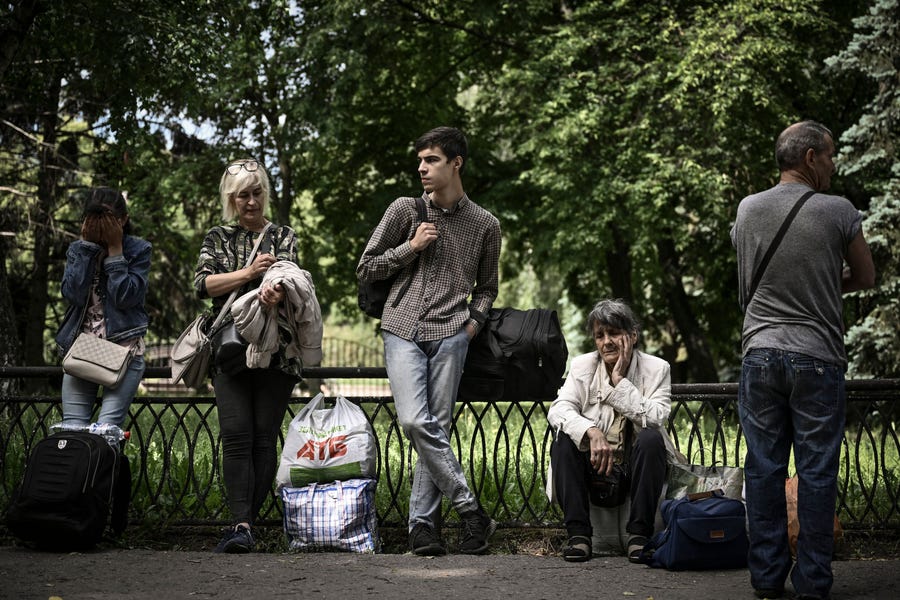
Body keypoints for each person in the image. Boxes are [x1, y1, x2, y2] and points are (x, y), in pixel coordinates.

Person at [731, 121, 875, 600]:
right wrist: (824, 286)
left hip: (759, 354)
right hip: (817, 356)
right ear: (810, 157)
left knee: (764, 467)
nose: (834, 165)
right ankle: (813, 581)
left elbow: (749, 281)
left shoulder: (748, 208)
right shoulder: (839, 211)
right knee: (816, 472)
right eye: (830, 155)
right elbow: (867, 275)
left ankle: (767, 579)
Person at [356, 126, 502, 555]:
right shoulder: (405, 210)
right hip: (402, 329)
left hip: (452, 336)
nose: (422, 168)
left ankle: (423, 529)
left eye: (432, 160)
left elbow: (488, 287)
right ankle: (471, 510)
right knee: (416, 423)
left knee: (433, 431)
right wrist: (411, 247)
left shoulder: (485, 225)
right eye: (420, 160)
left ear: (456, 163)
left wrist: (470, 327)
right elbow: (366, 268)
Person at [194, 158, 321, 554]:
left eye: (257, 192)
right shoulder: (218, 237)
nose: (252, 202)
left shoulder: (283, 234)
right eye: (243, 195)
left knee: (263, 439)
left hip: (277, 351)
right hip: (229, 349)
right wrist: (250, 275)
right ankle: (241, 522)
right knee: (235, 436)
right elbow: (204, 285)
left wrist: (273, 290)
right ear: (232, 199)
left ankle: (244, 525)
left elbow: (290, 276)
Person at [546, 299, 678, 563]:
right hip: (595, 464)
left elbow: (656, 417)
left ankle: (639, 536)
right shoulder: (583, 366)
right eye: (599, 335)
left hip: (635, 465)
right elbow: (558, 410)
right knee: (563, 442)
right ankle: (579, 536)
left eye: (614, 333)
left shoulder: (657, 368)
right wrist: (591, 431)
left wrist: (619, 382)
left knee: (651, 439)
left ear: (632, 336)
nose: (606, 341)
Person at [56, 187, 151, 430]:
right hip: (82, 348)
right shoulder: (79, 249)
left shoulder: (138, 249)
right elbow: (73, 294)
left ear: (123, 220)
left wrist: (116, 251)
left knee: (107, 432)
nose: (102, 225)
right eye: (95, 218)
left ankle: (105, 469)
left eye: (109, 219)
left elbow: (126, 298)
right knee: (73, 430)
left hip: (124, 351)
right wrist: (87, 248)